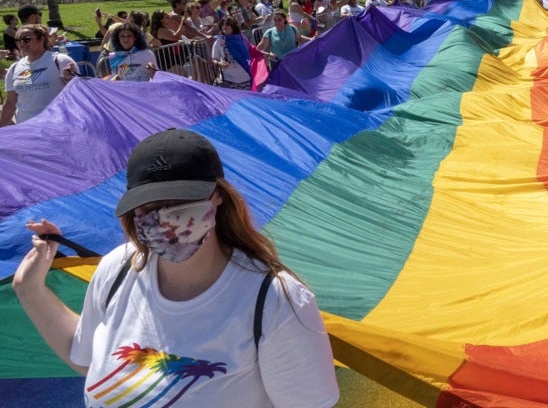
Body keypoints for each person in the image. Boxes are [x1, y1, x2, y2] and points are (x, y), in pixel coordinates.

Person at [12, 129, 339, 406]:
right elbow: (89, 359)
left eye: (180, 201)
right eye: (151, 206)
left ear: (218, 197)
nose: (165, 219)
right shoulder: (118, 269)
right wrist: (29, 291)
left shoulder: (276, 301)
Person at [0, 24, 78, 126]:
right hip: (27, 130)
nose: (22, 43)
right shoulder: (14, 68)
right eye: (18, 40)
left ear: (41, 39)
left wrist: (69, 79)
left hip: (57, 127)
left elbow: (78, 95)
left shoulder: (60, 61)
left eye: (27, 39)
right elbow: (10, 103)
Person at [212, 17, 253, 90]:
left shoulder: (242, 39)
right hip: (228, 79)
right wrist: (219, 63)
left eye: (227, 25)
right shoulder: (218, 41)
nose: (224, 27)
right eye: (223, 25)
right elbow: (214, 59)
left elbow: (250, 53)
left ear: (233, 26)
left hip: (244, 76)